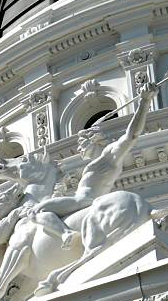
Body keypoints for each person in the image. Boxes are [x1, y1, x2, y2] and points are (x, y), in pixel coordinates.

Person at [30, 82, 158, 247]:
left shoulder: (109, 156)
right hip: (79, 199)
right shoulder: (98, 161)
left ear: (94, 140)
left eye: (82, 143)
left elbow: (131, 136)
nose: (79, 148)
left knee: (36, 211)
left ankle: (65, 233)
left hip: (83, 201)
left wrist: (144, 102)